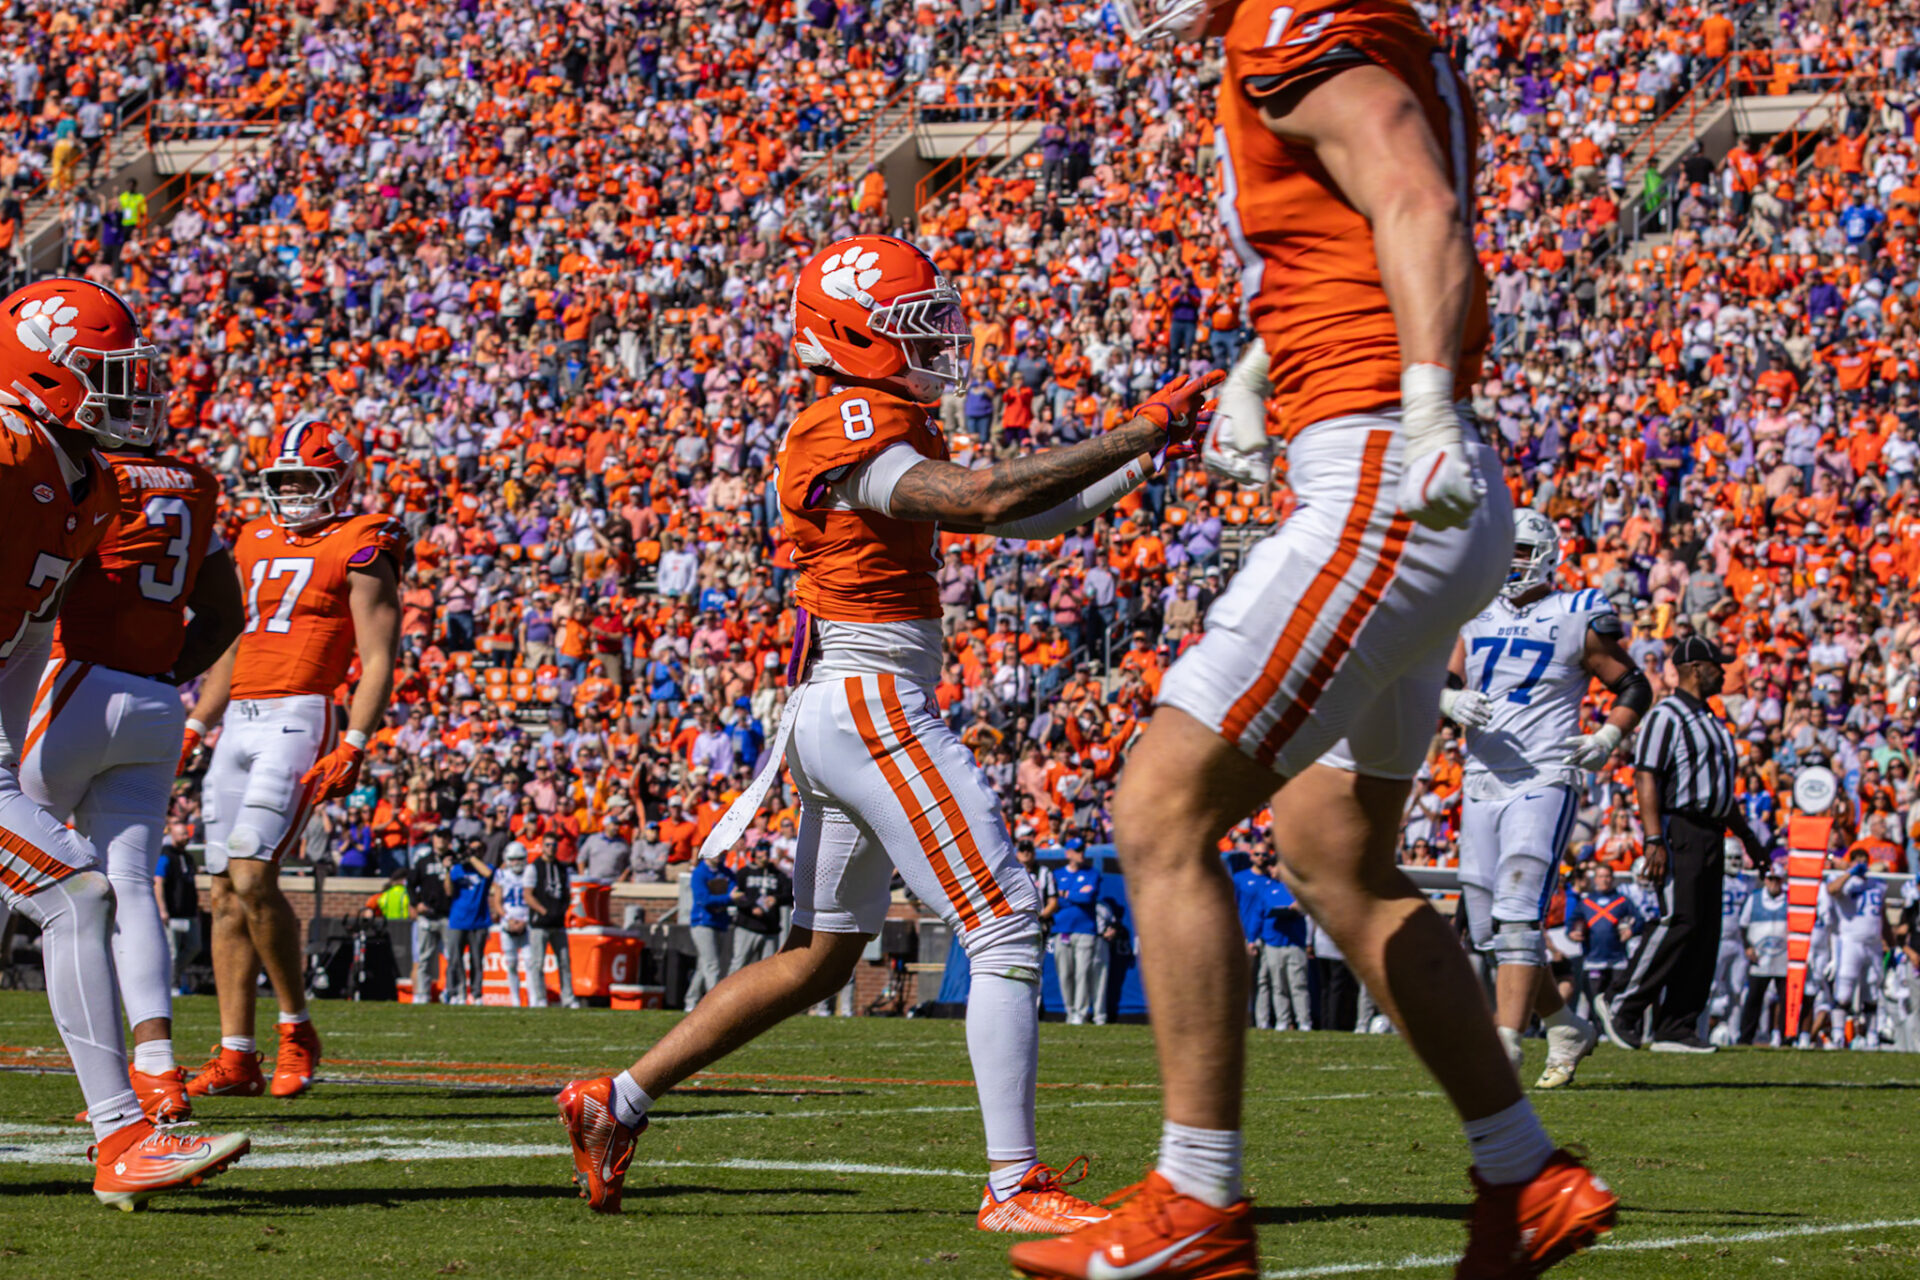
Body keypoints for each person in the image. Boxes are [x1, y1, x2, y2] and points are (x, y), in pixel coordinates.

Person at [1014, 6, 1615, 1277]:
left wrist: (1424, 400)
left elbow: (1413, 197)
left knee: (1159, 806)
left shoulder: (1293, 23)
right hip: (1404, 468)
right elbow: (1355, 232)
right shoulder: (1368, 30)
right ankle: (1526, 1174)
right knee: (1335, 851)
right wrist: (1262, 368)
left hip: (1384, 474)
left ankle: (1196, 1200)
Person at [558, 233, 1216, 1233]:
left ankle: (617, 1098)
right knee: (1005, 918)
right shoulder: (851, 420)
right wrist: (1135, 428)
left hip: (845, 701)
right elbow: (987, 497)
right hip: (870, 700)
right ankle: (1014, 1186)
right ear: (851, 335)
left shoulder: (879, 420)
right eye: (912, 328)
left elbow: (1017, 519)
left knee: (822, 958)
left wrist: (1144, 455)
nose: (935, 344)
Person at [0, 277, 247, 1205]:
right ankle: (123, 1136)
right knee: (78, 888)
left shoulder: (93, 483)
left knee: (81, 888)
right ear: (41, 368)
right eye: (103, 372)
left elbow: (31, 632)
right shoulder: (8, 445)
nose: (128, 391)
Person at [22, 431, 243, 1125]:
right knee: (131, 886)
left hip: (76, 679)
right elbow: (226, 614)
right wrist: (161, 671)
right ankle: (156, 1069)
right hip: (154, 700)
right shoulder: (194, 484)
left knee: (10, 859)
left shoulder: (88, 472)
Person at [184, 416, 405, 1098]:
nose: (293, 493)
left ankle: (295, 1027)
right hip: (238, 720)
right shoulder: (252, 538)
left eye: (306, 480)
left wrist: (356, 740)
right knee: (222, 890)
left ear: (338, 480)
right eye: (283, 481)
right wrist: (197, 722)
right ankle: (236, 1056)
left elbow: (378, 656)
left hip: (299, 714)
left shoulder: (363, 539)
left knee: (252, 872)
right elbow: (232, 645)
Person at [1439, 509, 1649, 1088]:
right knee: (1490, 933)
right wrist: (1450, 701)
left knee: (1517, 912)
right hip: (1481, 777)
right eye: (1505, 549)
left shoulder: (1576, 611)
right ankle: (1564, 1024)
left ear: (1547, 555)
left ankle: (1504, 1044)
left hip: (1544, 775)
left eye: (1522, 550)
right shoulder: (1475, 611)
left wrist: (1607, 737)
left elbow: (1634, 684)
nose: (1511, 561)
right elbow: (1441, 677)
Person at [1598, 636, 1765, 1054]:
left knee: (1705, 930)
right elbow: (1646, 774)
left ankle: (1678, 1025)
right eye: (1716, 665)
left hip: (1712, 830)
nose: (1723, 672)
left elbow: (1720, 792)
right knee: (1679, 919)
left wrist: (1748, 837)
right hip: (1679, 826)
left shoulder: (1713, 720)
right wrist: (1654, 837)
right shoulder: (1666, 714)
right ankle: (1621, 1003)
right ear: (1694, 668)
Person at [1236, 850, 1309, 1031]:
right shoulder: (1267, 889)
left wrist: (1299, 908)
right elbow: (1258, 915)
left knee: (1298, 984)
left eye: (1275, 867)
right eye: (1272, 867)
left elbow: (1309, 909)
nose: (1272, 870)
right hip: (1273, 942)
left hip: (1294, 942)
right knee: (1278, 986)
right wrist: (1252, 939)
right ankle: (1282, 1021)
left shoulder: (1298, 889)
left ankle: (1304, 1022)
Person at [1827, 846, 1891, 1048]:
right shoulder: (1844, 881)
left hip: (1873, 943)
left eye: (1864, 860)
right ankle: (1838, 1034)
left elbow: (1882, 914)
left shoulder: (1877, 883)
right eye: (1857, 860)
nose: (1861, 864)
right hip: (1850, 941)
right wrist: (1850, 873)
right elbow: (1832, 890)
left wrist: (1889, 941)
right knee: (1844, 991)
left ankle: (1871, 1035)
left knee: (1872, 990)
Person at [1567, 864, 1640, 1017]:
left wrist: (1631, 931)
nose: (1604, 880)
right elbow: (1571, 922)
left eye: (1607, 876)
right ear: (1595, 879)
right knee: (1595, 1002)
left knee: (1616, 1001)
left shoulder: (1622, 901)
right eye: (1601, 876)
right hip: (1593, 960)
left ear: (1612, 878)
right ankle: (1598, 1028)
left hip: (1618, 960)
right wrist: (1572, 933)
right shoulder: (1586, 902)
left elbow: (1640, 920)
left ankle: (1616, 1027)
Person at [1052, 843, 1106, 1025]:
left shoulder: (1092, 874)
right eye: (1077, 850)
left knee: (1082, 973)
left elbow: (1088, 897)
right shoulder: (1057, 874)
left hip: (1085, 929)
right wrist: (1074, 894)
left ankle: (1080, 1013)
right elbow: (1054, 900)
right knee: (1065, 973)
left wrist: (1066, 893)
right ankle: (1069, 1010)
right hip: (1061, 929)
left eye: (1083, 850)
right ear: (1068, 853)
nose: (1081, 853)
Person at [1738, 865, 1790, 1045]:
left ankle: (1785, 1037)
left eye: (1777, 880)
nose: (1774, 883)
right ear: (1765, 880)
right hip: (1760, 958)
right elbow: (1743, 925)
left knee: (1785, 1000)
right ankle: (1745, 1037)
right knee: (1754, 999)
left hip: (1783, 957)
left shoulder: (1789, 900)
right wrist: (1747, 947)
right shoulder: (1754, 898)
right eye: (1771, 879)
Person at [527, 832, 579, 1009]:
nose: (551, 848)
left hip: (558, 923)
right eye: (548, 845)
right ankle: (540, 998)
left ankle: (568, 997)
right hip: (539, 924)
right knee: (537, 963)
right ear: (542, 846)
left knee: (564, 961)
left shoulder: (563, 869)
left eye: (554, 845)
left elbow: (567, 894)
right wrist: (543, 911)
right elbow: (528, 895)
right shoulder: (534, 867)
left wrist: (561, 911)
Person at [730, 839, 792, 971]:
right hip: (747, 926)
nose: (764, 854)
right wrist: (751, 907)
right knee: (738, 966)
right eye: (760, 850)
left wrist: (776, 899)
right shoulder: (744, 872)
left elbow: (790, 895)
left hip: (770, 928)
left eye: (766, 851)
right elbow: (736, 896)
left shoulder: (777, 874)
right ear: (754, 853)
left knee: (767, 970)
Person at [445, 843, 495, 1005]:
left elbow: (488, 873)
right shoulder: (457, 870)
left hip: (479, 921)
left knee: (476, 960)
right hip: (458, 920)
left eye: (477, 849)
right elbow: (448, 891)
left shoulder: (486, 867)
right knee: (455, 959)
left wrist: (471, 857)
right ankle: (455, 992)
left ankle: (476, 994)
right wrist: (448, 869)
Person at [684, 848, 734, 1010]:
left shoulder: (726, 872)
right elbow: (703, 899)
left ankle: (690, 1001)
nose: (718, 855)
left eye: (721, 852)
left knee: (704, 965)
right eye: (715, 852)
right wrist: (728, 898)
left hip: (720, 922)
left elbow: (735, 891)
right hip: (702, 922)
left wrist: (728, 898)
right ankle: (715, 1006)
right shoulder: (699, 873)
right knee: (712, 965)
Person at [408, 832, 454, 1004]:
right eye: (438, 837)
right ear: (433, 839)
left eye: (444, 837)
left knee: (451, 957)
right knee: (424, 958)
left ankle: (450, 992)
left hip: (448, 915)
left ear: (449, 840)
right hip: (427, 915)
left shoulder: (454, 859)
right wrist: (416, 903)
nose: (441, 840)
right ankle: (422, 993)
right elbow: (410, 884)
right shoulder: (424, 861)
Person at [1711, 860, 1754, 1029]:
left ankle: (1733, 1032)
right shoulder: (1716, 880)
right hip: (1719, 940)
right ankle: (1702, 1031)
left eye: (1738, 857)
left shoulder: (1746, 882)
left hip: (1739, 942)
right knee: (1711, 988)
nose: (1735, 862)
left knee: (1737, 991)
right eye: (1731, 857)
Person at [492, 843, 532, 1006]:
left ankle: (533, 999)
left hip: (527, 922)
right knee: (511, 963)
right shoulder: (502, 875)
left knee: (530, 963)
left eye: (519, 859)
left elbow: (533, 899)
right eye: (513, 859)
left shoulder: (530, 873)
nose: (516, 862)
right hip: (507, 922)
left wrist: (525, 920)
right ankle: (515, 999)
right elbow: (497, 902)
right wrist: (508, 918)